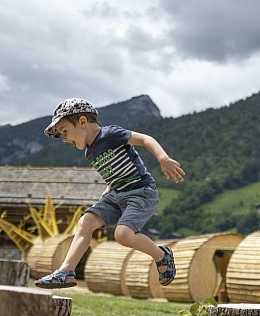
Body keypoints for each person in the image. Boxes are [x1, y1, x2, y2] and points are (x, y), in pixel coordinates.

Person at [34, 98, 185, 289]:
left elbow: (146, 139)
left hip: (140, 192)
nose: (65, 139)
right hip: (116, 193)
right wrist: (109, 185)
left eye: (65, 132)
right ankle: (66, 272)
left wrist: (163, 158)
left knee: (123, 235)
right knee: (85, 223)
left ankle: (161, 255)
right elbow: (112, 170)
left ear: (82, 122)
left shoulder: (110, 134)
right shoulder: (90, 152)